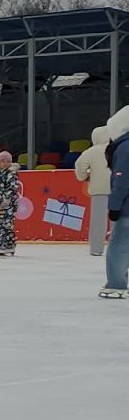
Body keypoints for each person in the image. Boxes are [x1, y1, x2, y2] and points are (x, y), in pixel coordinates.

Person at [97, 107, 129, 299]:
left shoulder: (125, 147)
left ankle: (116, 284)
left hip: (127, 208)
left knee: (119, 246)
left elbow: (122, 180)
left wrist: (114, 207)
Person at [75, 123, 115, 257]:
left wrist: (84, 177)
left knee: (98, 221)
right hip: (117, 188)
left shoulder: (90, 152)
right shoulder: (116, 149)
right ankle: (117, 248)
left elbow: (80, 165)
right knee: (117, 220)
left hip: (98, 189)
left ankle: (96, 249)